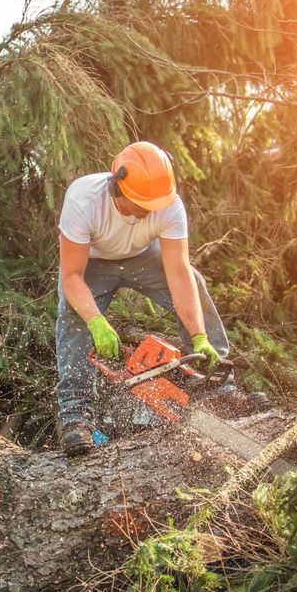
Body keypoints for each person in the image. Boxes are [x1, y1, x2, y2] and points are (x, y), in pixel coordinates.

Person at [55, 140, 230, 457]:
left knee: (195, 282)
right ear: (117, 185)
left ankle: (214, 381)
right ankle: (76, 416)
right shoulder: (84, 199)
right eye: (140, 205)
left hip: (142, 257)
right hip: (92, 263)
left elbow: (177, 272)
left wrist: (199, 335)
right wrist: (96, 322)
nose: (147, 211)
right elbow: (70, 277)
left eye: (152, 206)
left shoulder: (168, 203)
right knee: (73, 316)